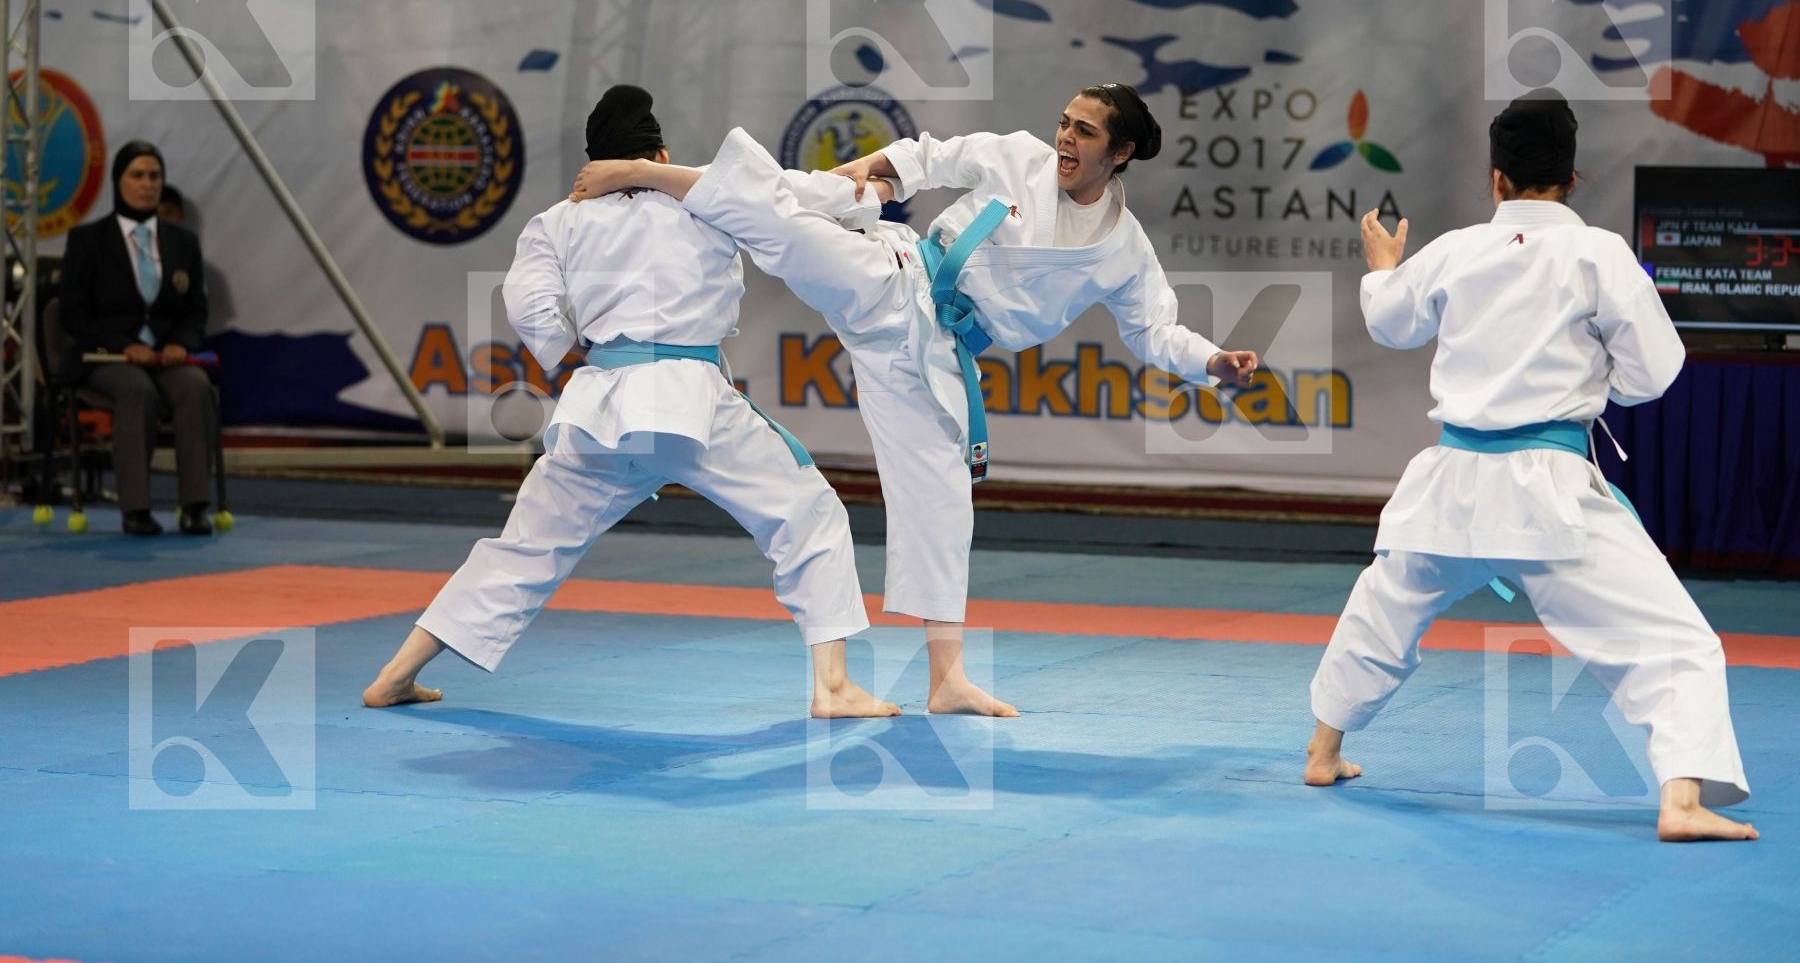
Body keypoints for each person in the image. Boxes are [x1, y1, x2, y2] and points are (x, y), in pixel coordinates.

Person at [569, 85, 1260, 718]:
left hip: (939, 360)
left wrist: (1211, 362)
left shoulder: (1124, 250)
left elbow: (1155, 330)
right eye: (1065, 123)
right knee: (785, 220)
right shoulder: (1020, 158)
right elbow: (928, 158)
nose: (1066, 139)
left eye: (1085, 131)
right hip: (897, 282)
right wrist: (856, 179)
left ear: (1122, 151)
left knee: (943, 497)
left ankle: (946, 679)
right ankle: (642, 172)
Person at [1303, 89, 1756, 845]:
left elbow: (1390, 321)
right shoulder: (1599, 253)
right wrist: (1592, 368)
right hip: (1548, 495)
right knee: (1675, 642)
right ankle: (1680, 801)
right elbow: (1654, 375)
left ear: (1496, 179)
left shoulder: (1454, 249)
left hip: (1449, 485)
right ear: (1573, 181)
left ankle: (1323, 753)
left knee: (1384, 610)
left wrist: (1384, 267)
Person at [361, 86, 894, 720]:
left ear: (594, 165)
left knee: (526, 548)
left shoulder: (557, 221)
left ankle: (395, 675)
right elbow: (793, 200)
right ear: (657, 152)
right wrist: (873, 186)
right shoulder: (704, 196)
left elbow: (533, 314)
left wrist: (571, 345)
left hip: (599, 409)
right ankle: (833, 686)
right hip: (690, 404)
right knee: (807, 514)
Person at [59, 142, 214, 538]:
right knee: (137, 391)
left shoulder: (183, 243)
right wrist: (123, 345)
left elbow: (195, 309)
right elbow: (73, 314)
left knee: (196, 387)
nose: (147, 185)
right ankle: (136, 508)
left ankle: (194, 506)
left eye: (154, 177)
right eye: (137, 175)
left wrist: (182, 342)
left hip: (165, 357)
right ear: (118, 181)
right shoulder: (87, 240)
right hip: (105, 358)